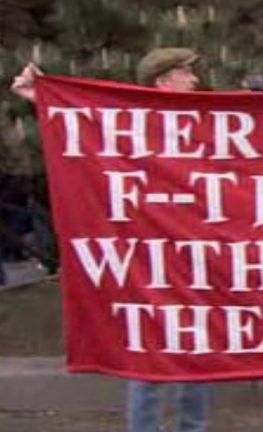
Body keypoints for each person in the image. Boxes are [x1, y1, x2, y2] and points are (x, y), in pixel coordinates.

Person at [11, 47, 212, 432]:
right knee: (149, 351)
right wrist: (41, 95)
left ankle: (194, 427)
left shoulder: (204, 120)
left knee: (197, 347)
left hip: (196, 252)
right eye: (187, 74)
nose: (195, 81)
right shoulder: (132, 121)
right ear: (164, 80)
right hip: (145, 254)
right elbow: (84, 128)